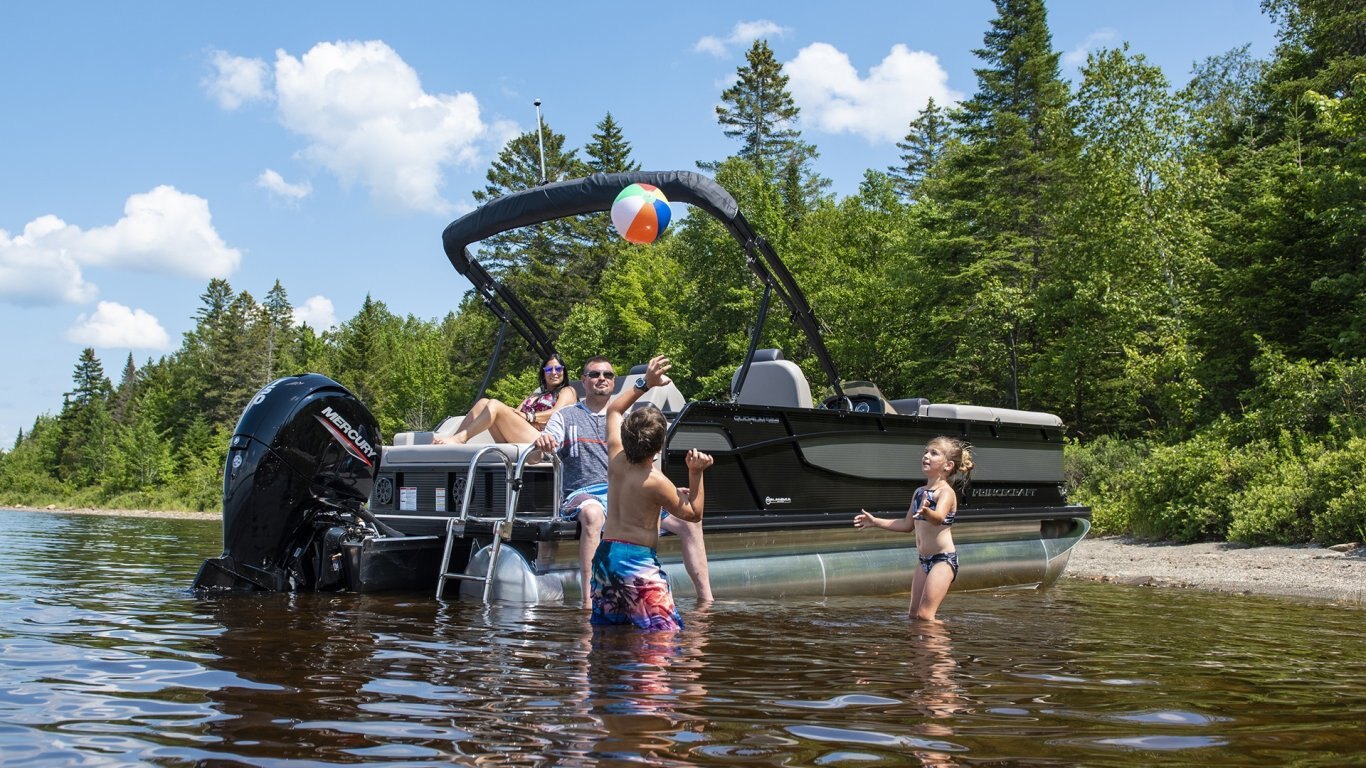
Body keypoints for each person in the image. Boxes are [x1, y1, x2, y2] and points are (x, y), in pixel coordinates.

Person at [535, 355, 714, 610]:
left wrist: (666, 492)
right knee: (593, 514)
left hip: (628, 492)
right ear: (583, 381)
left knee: (689, 523)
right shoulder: (566, 416)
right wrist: (541, 444)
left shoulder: (630, 420)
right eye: (594, 374)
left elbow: (648, 470)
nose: (602, 379)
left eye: (608, 375)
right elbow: (538, 455)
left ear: (613, 382)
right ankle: (588, 602)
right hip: (583, 493)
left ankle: (706, 601)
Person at [592, 354, 712, 630]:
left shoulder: (616, 458)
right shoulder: (656, 480)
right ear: (659, 448)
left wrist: (645, 383)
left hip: (605, 559)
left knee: (610, 634)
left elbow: (613, 410)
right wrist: (696, 473)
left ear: (625, 436)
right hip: (637, 563)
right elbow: (693, 514)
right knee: (665, 637)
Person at [853, 436, 974, 622]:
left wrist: (927, 512)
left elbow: (938, 518)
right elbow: (907, 525)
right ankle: (923, 642)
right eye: (926, 452)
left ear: (948, 465)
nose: (926, 456)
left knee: (925, 615)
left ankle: (943, 641)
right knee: (913, 615)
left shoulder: (945, 492)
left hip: (943, 560)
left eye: (934, 453)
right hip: (923, 561)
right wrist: (875, 521)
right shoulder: (919, 492)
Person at [435, 353, 576, 445]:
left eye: (558, 369)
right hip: (520, 434)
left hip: (542, 440)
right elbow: (515, 413)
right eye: (549, 370)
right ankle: (454, 440)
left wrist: (529, 417)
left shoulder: (567, 391)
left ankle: (460, 439)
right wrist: (523, 417)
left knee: (494, 404)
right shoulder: (535, 395)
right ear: (543, 374)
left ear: (563, 371)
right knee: (483, 403)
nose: (554, 373)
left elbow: (558, 413)